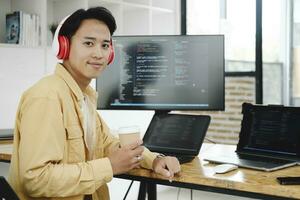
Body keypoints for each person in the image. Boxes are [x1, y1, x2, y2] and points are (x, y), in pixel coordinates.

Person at [8, 6, 180, 200]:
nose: (99, 54)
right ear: (63, 46)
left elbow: (108, 144)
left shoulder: (84, 96)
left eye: (105, 45)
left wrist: (154, 160)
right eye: (89, 43)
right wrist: (109, 166)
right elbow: (36, 179)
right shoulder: (47, 97)